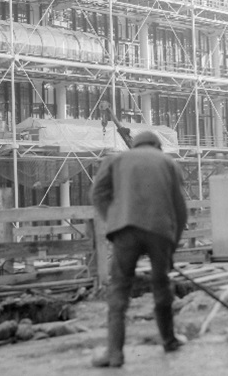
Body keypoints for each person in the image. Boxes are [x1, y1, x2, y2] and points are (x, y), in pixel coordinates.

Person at [89, 130, 189, 368]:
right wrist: (172, 248)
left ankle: (115, 354)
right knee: (161, 285)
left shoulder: (116, 160)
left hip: (125, 231)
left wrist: (114, 219)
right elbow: (181, 210)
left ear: (134, 145)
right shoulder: (169, 163)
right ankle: (169, 341)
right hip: (159, 232)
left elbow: (97, 194)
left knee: (119, 289)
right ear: (157, 146)